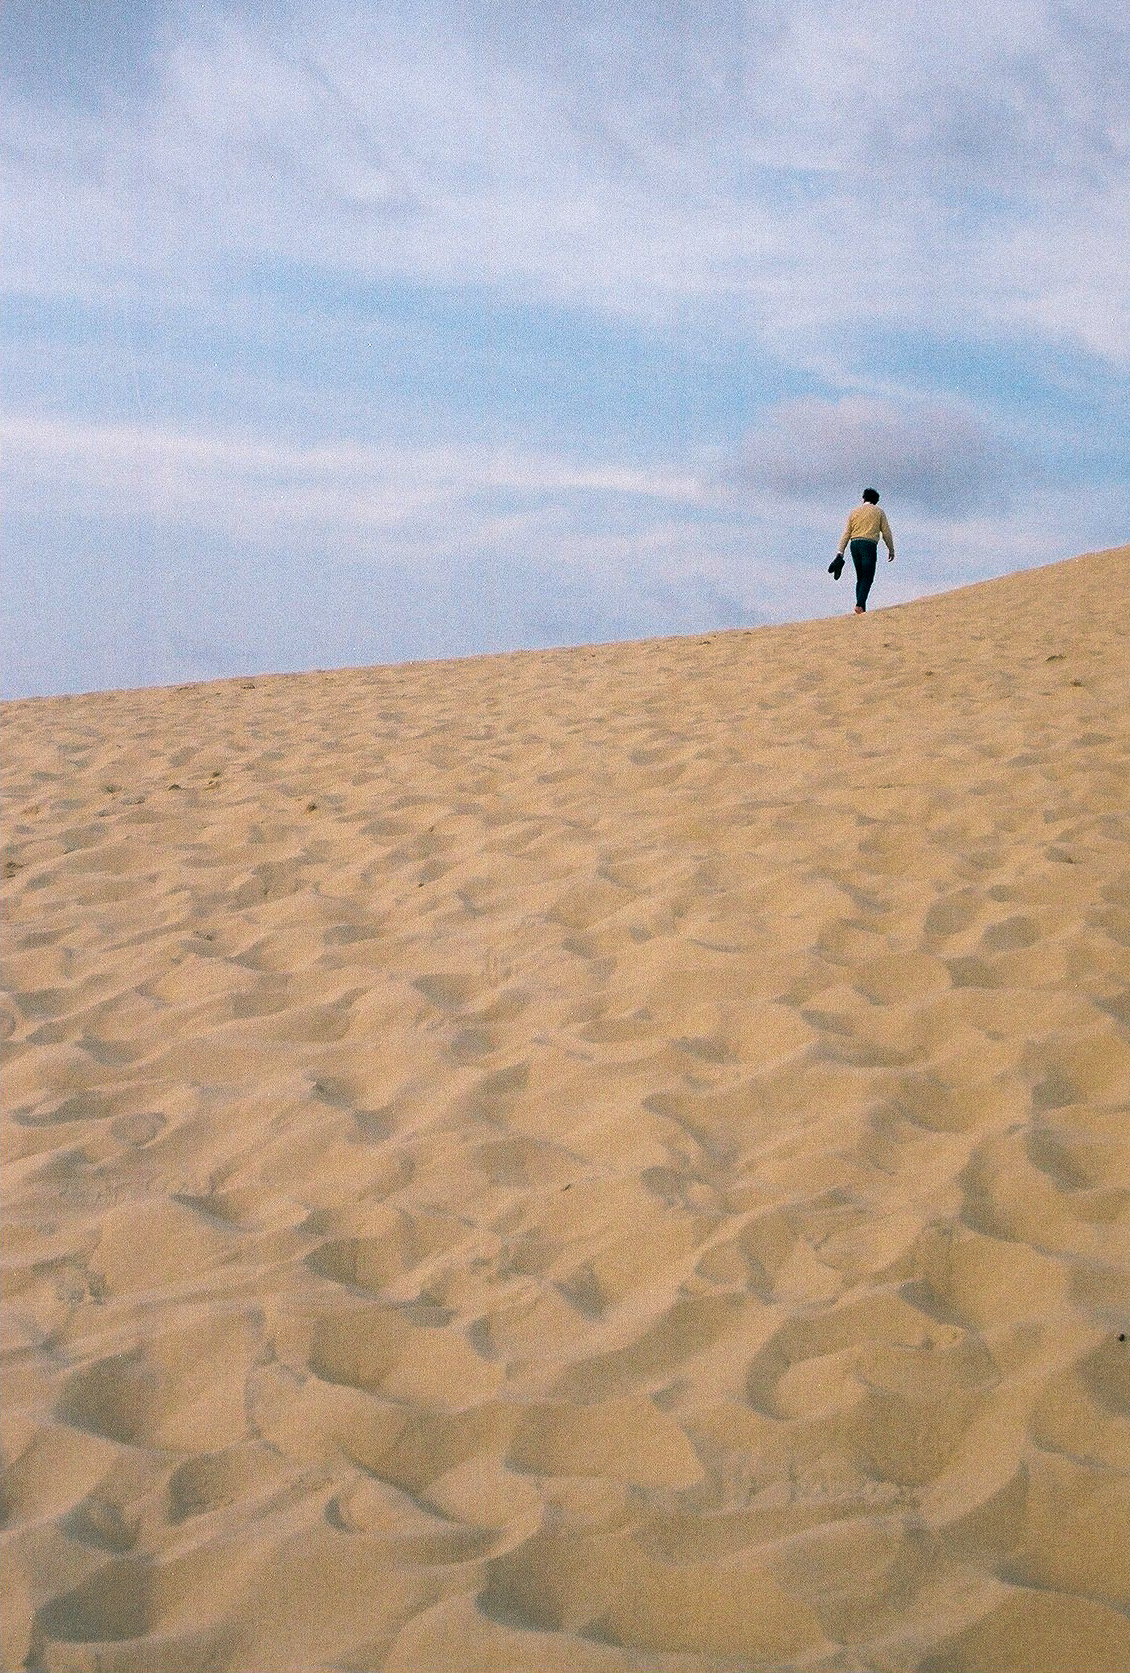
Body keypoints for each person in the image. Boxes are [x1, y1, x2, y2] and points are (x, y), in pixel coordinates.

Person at [836, 488, 895, 613]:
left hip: (854, 545)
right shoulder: (878, 511)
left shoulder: (854, 511)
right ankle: (860, 605)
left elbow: (846, 533)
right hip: (868, 545)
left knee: (860, 577)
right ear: (876, 501)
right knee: (868, 577)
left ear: (863, 498)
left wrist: (840, 552)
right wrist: (891, 548)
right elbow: (886, 532)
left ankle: (861, 608)